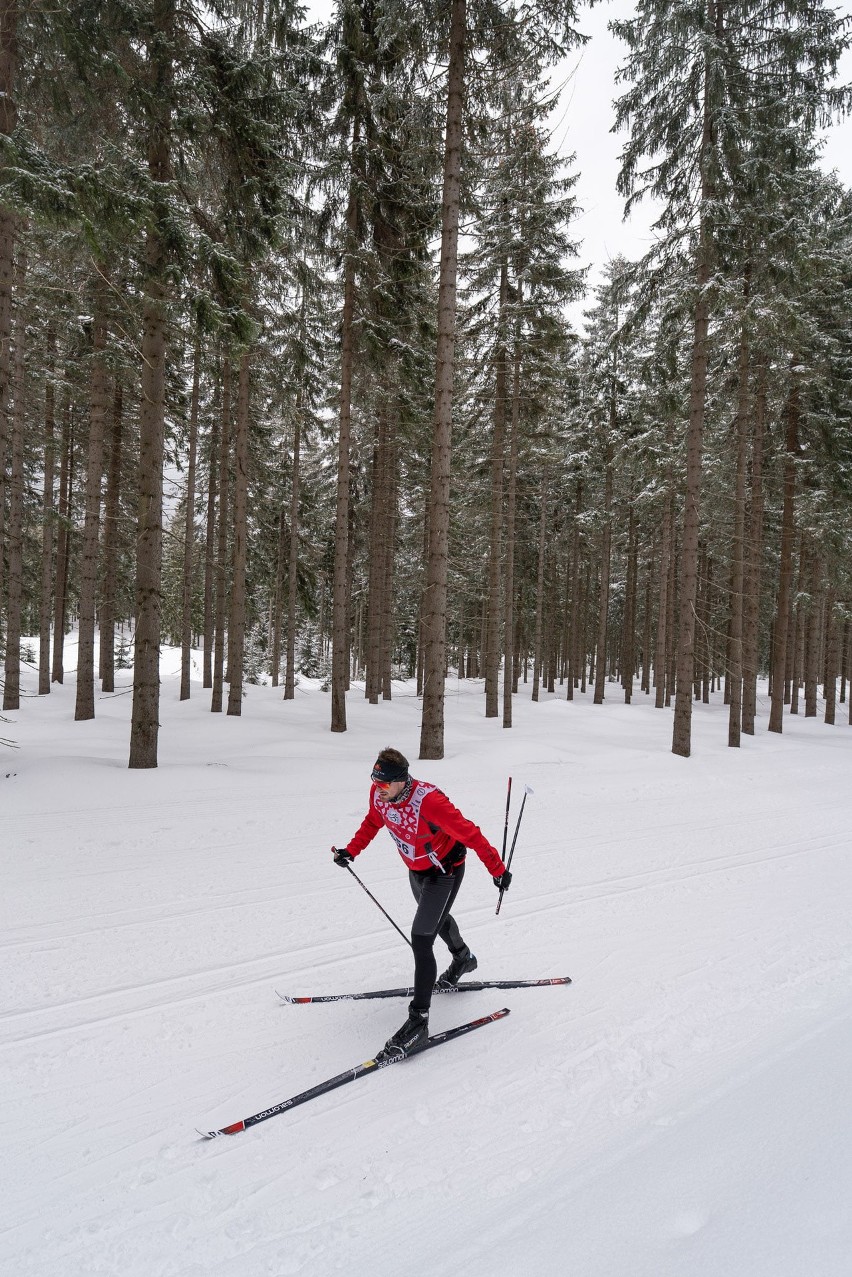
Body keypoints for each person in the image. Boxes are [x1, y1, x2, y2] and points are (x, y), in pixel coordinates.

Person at [332, 746, 512, 1059]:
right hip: (417, 871)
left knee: (421, 938)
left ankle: (419, 1021)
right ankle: (463, 959)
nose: (379, 789)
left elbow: (472, 834)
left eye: (385, 784)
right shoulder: (380, 795)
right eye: (375, 782)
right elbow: (373, 822)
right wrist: (351, 850)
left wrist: (497, 870)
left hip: (445, 872)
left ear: (402, 780)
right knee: (435, 920)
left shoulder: (430, 803)